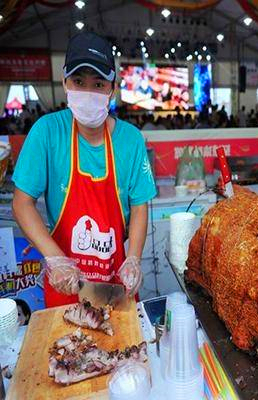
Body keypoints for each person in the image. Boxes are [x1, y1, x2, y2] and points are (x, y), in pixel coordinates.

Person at [12, 32, 157, 308]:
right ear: (65, 83)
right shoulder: (48, 132)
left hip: (116, 285)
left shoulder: (131, 140)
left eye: (98, 83)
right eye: (79, 82)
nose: (88, 92)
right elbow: (22, 203)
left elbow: (139, 206)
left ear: (112, 89)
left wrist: (134, 258)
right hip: (65, 285)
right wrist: (55, 259)